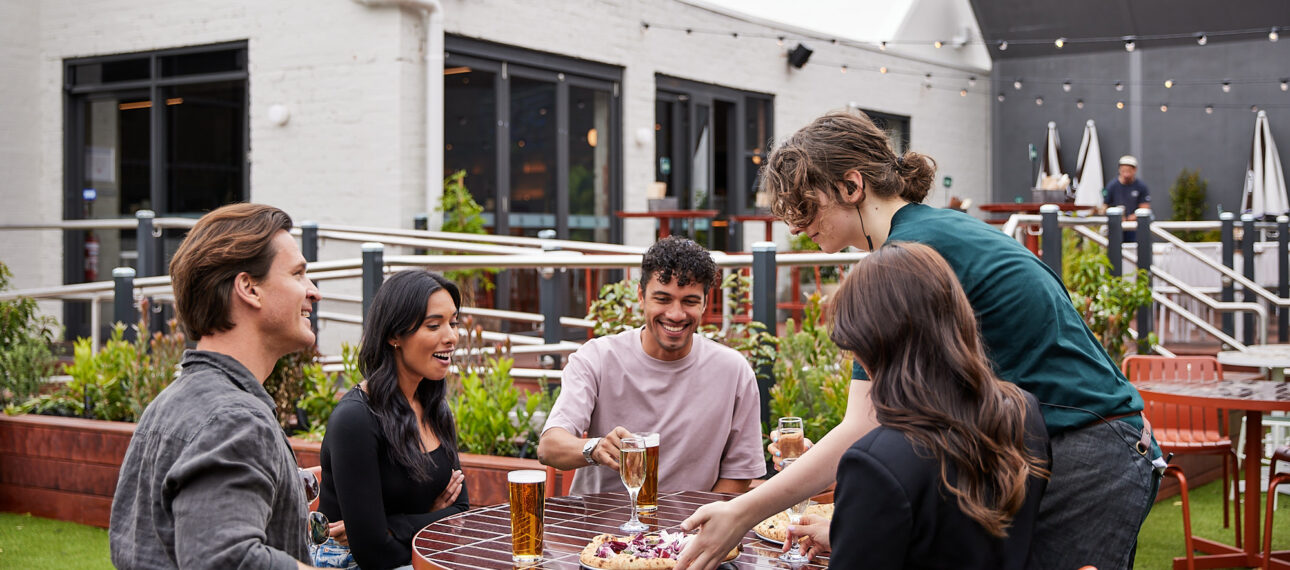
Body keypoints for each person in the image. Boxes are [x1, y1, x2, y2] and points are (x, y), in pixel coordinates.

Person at [678, 111, 1159, 570]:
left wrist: (742, 512)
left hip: (1089, 448)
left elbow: (863, 424)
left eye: (808, 204)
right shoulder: (929, 232)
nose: (797, 224)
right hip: (1063, 441)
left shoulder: (911, 255)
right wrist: (857, 526)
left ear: (851, 185)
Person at [795, 242, 1050, 568]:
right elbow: (961, 534)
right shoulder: (1022, 412)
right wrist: (853, 533)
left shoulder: (877, 462)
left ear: (876, 345)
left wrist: (856, 536)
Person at [110, 203, 322, 569]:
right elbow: (226, 559)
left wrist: (292, 486)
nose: (313, 291)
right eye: (298, 274)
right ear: (249, 288)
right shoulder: (235, 419)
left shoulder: (171, 402)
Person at [537, 236, 765, 495]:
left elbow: (739, 474)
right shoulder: (597, 358)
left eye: (689, 301)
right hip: (596, 529)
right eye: (663, 299)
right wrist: (595, 448)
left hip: (690, 531)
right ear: (641, 297)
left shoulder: (733, 371)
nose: (676, 314)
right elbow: (549, 447)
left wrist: (691, 528)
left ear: (704, 303)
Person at [315, 270, 469, 570]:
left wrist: (392, 526)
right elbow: (373, 553)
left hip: (415, 558)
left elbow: (460, 510)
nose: (450, 337)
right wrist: (433, 517)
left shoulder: (435, 409)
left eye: (453, 323)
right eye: (434, 325)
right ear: (393, 335)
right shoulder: (356, 419)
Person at [1103, 154, 1151, 240]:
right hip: (1115, 226)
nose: (1126, 174)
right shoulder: (1112, 186)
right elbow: (1105, 206)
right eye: (1123, 170)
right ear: (1119, 170)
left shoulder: (1141, 187)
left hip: (1134, 227)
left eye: (1128, 171)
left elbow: (1145, 208)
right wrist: (1116, 216)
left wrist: (1130, 218)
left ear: (1134, 170)